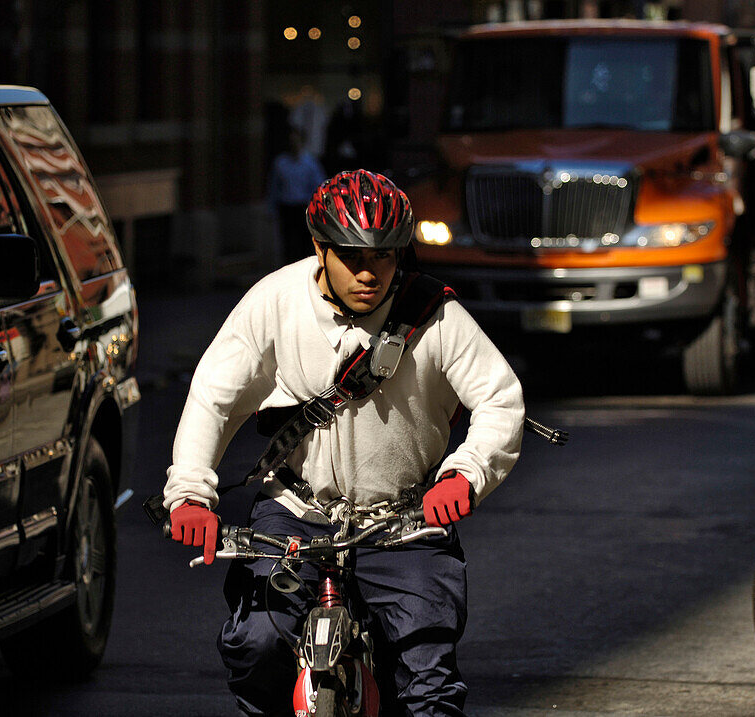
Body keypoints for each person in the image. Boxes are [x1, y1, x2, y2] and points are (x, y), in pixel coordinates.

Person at [163, 169, 525, 716]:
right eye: (351, 255)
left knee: (429, 686)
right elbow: (214, 397)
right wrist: (190, 492)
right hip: (295, 513)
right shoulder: (275, 301)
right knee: (258, 646)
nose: (368, 272)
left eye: (383, 257)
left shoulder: (436, 315)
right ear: (319, 248)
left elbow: (500, 397)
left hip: (403, 519)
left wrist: (466, 473)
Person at [266, 127, 326, 265]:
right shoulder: (280, 163)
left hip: (303, 207)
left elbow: (318, 186)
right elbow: (274, 187)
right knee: (287, 242)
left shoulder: (310, 163)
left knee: (305, 242)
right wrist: (272, 208)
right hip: (287, 206)